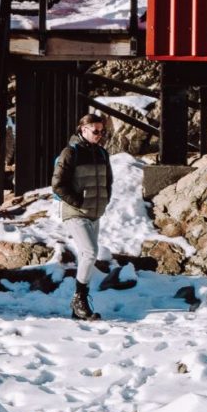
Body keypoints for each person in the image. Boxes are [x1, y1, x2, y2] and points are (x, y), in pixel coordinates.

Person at [51, 110, 116, 321]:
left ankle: (78, 309)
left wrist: (104, 201)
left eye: (102, 131)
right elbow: (57, 185)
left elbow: (108, 182)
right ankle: (79, 298)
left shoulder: (102, 153)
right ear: (83, 129)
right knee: (90, 252)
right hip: (75, 212)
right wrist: (78, 201)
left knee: (88, 255)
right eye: (95, 131)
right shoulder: (70, 153)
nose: (99, 135)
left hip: (94, 213)